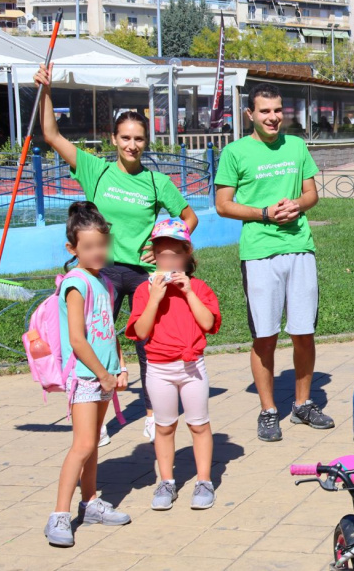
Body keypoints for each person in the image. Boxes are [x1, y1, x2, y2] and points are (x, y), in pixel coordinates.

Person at [36, 63, 199, 445]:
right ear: (113, 139)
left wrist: (163, 241)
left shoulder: (157, 181)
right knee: (97, 337)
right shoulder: (95, 171)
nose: (132, 145)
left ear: (146, 141)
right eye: (125, 137)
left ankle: (149, 413)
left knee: (147, 341)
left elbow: (188, 217)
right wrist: (45, 90)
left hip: (143, 272)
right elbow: (50, 134)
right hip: (104, 272)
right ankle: (98, 414)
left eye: (139, 138)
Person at [215, 82, 332, 442]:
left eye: (278, 110)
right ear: (250, 114)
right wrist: (263, 213)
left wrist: (299, 204)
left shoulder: (296, 146)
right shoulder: (235, 152)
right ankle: (268, 411)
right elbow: (223, 204)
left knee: (303, 332)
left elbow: (312, 193)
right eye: (265, 111)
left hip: (299, 248)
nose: (273, 117)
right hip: (259, 252)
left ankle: (302, 404)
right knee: (264, 336)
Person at [45, 202, 131, 547]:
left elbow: (108, 331)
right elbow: (78, 340)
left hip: (104, 376)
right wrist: (102, 374)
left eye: (101, 245)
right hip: (84, 376)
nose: (97, 252)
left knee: (93, 442)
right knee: (82, 445)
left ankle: (91, 503)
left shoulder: (104, 282)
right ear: (72, 249)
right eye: (88, 247)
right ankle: (58, 516)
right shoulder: (76, 283)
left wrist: (120, 367)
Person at [125, 219, 222, 511]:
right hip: (158, 369)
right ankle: (166, 481)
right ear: (154, 255)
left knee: (198, 424)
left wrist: (188, 291)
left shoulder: (200, 288)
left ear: (186, 255)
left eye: (174, 255)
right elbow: (140, 332)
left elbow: (208, 323)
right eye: (162, 255)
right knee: (164, 427)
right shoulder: (145, 291)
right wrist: (155, 296)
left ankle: (203, 480)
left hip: (192, 368)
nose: (168, 262)